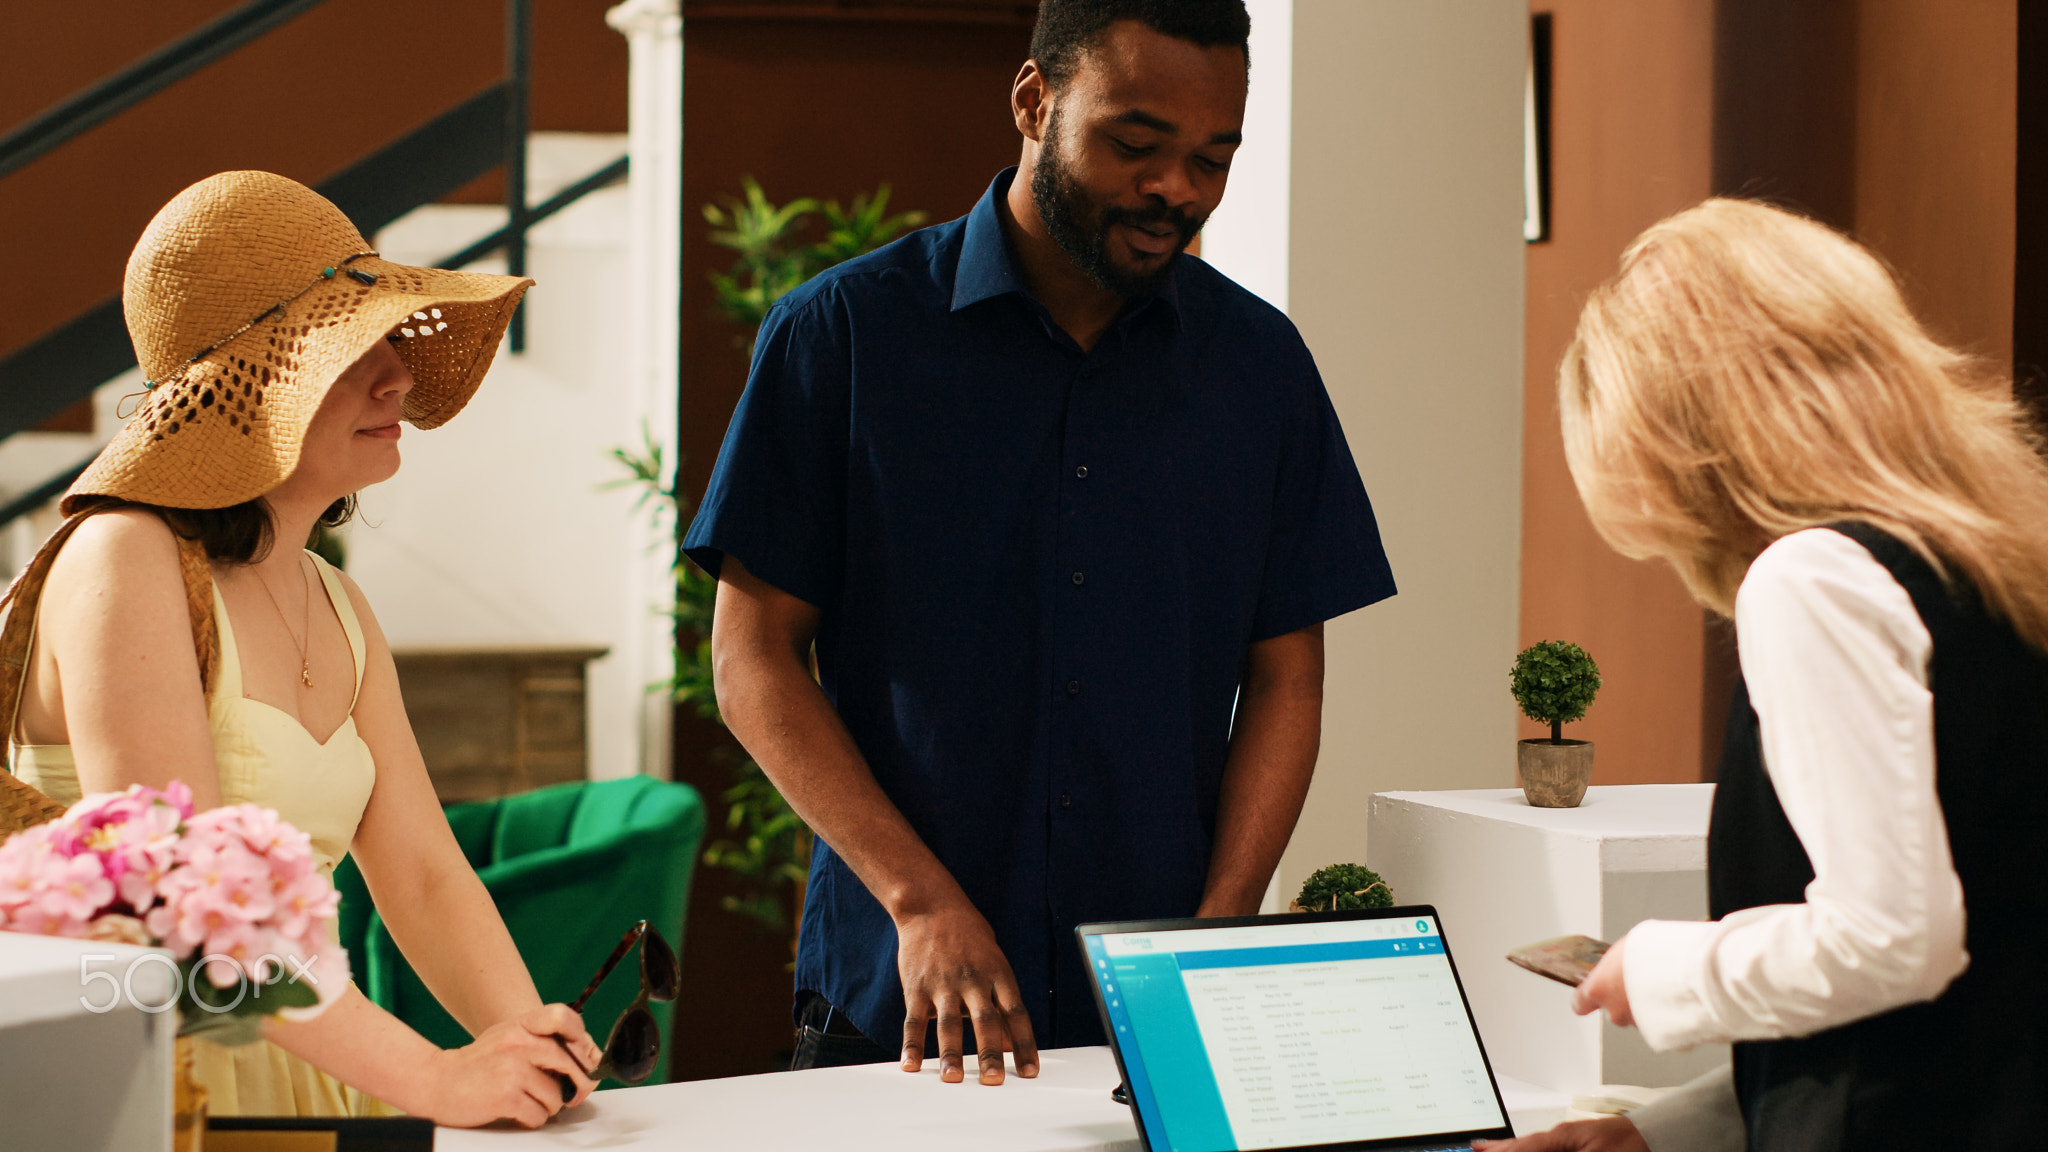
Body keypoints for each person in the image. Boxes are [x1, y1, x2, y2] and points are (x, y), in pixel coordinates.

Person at [684, 0, 1394, 1086]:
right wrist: (918, 902)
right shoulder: (840, 338)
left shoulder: (1262, 368)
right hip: (899, 1005)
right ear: (1032, 101)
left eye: (1212, 158)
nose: (1175, 190)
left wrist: (1217, 928)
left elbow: (1286, 677)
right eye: (1135, 144)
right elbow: (750, 660)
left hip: (1156, 1013)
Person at [5, 171, 604, 1125]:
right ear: (247, 388)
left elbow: (420, 869)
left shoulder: (338, 599)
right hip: (140, 1079)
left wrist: (529, 1045)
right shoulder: (127, 558)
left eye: (392, 339)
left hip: (316, 1071)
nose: (398, 374)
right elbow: (180, 900)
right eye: (352, 346)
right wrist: (436, 1078)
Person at [1479, 198, 2048, 1151]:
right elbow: (1974, 990)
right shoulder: (1998, 569)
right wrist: (1658, 1134)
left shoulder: (1813, 576)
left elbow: (1895, 941)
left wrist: (1663, 968)